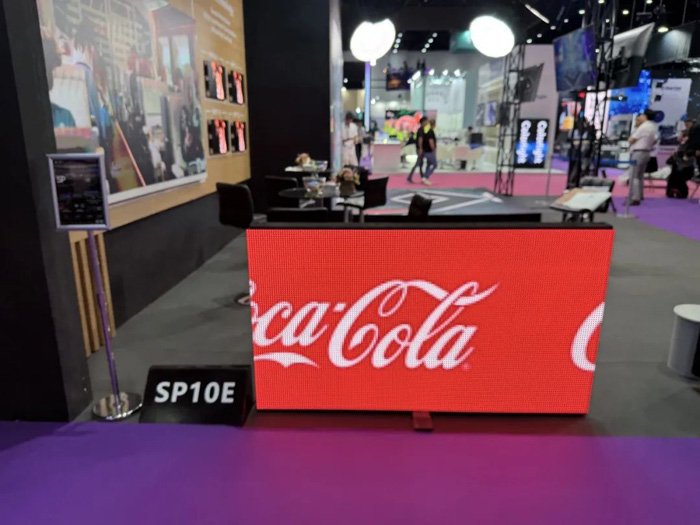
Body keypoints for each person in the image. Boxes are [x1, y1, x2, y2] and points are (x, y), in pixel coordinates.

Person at [626, 110, 659, 205]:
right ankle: (640, 194)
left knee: (634, 175)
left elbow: (632, 139)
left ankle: (635, 197)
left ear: (645, 116)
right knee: (640, 176)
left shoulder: (643, 127)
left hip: (638, 152)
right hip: (647, 152)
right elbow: (655, 140)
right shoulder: (653, 127)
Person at [407, 117, 428, 183]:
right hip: (420, 149)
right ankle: (410, 177)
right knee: (418, 163)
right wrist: (420, 148)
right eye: (426, 121)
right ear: (423, 122)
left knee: (421, 163)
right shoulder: (421, 130)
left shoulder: (422, 129)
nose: (427, 123)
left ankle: (422, 177)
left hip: (420, 148)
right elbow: (420, 140)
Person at [421, 119, 438, 185]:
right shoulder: (430, 132)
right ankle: (425, 177)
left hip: (426, 150)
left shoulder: (427, 131)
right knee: (434, 164)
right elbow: (431, 141)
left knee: (428, 164)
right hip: (429, 151)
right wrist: (433, 149)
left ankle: (425, 177)